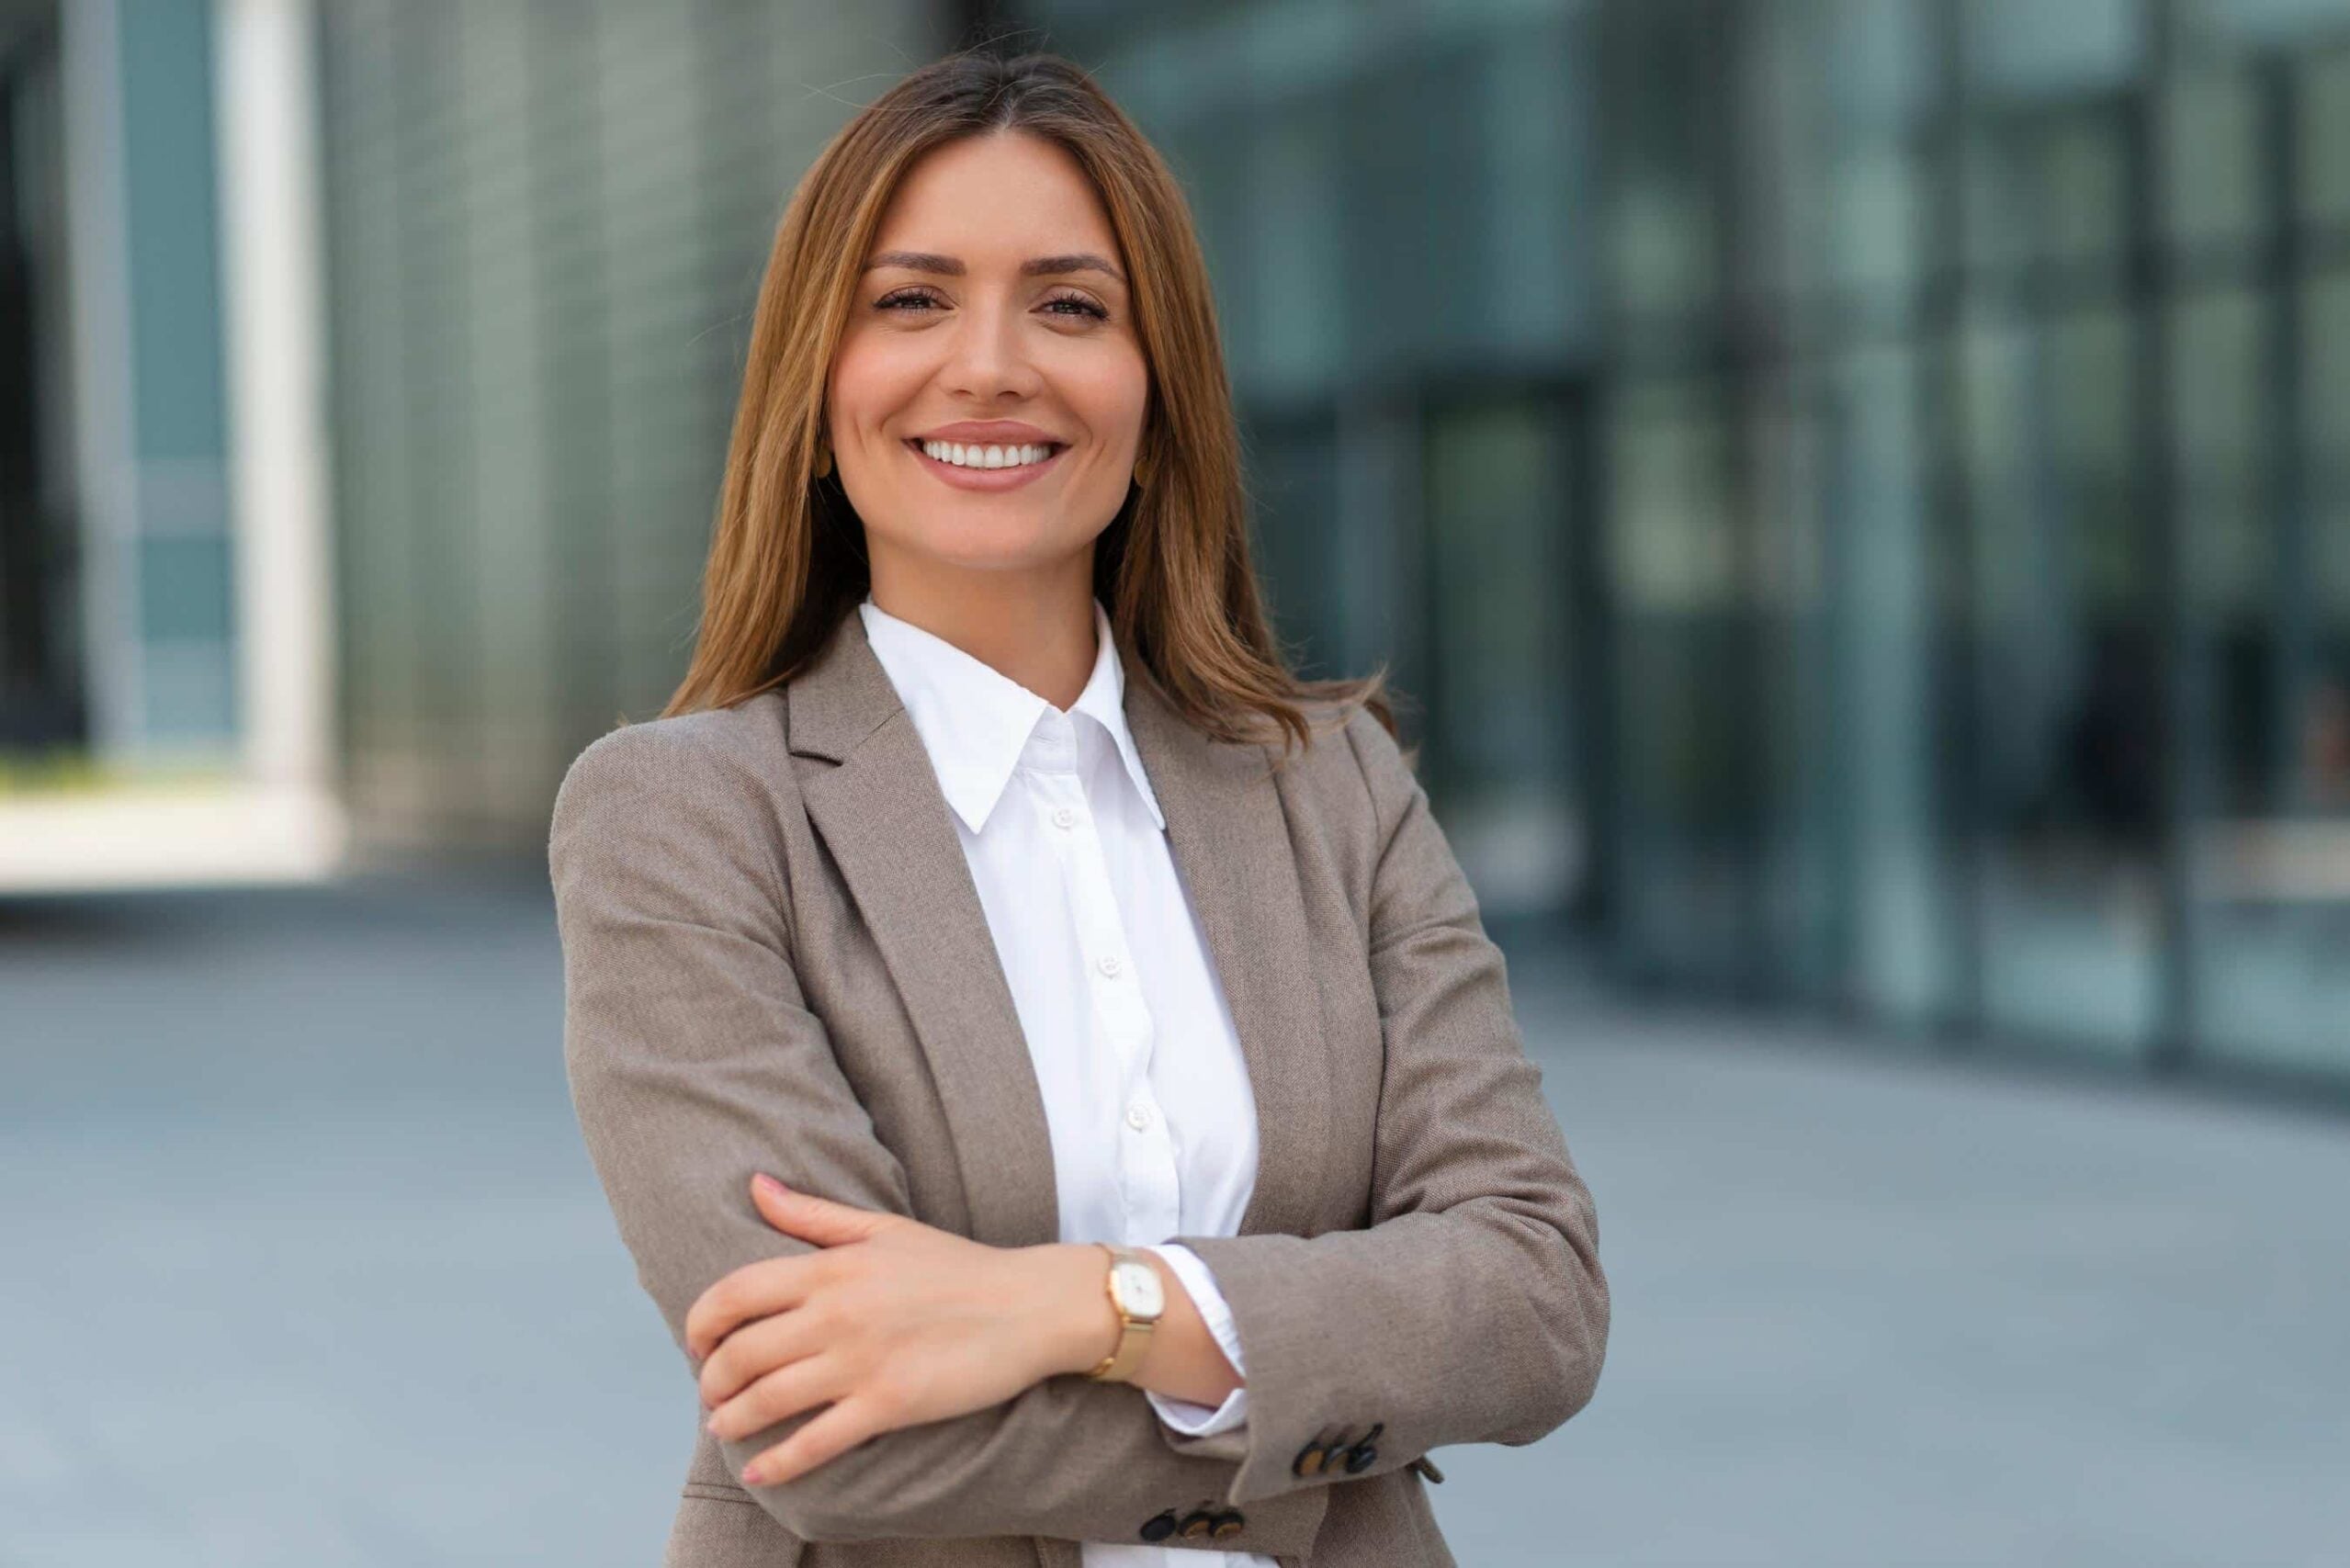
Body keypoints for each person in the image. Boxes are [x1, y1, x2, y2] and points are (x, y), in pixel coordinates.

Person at [548, 47, 1608, 1568]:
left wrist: (1072, 1305)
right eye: (911, 300)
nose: (990, 365)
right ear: (815, 378)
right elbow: (830, 1435)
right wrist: (1317, 1389)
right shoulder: (686, 820)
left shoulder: (1333, 781)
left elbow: (1534, 1297)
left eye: (1069, 304)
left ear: (1153, 383)